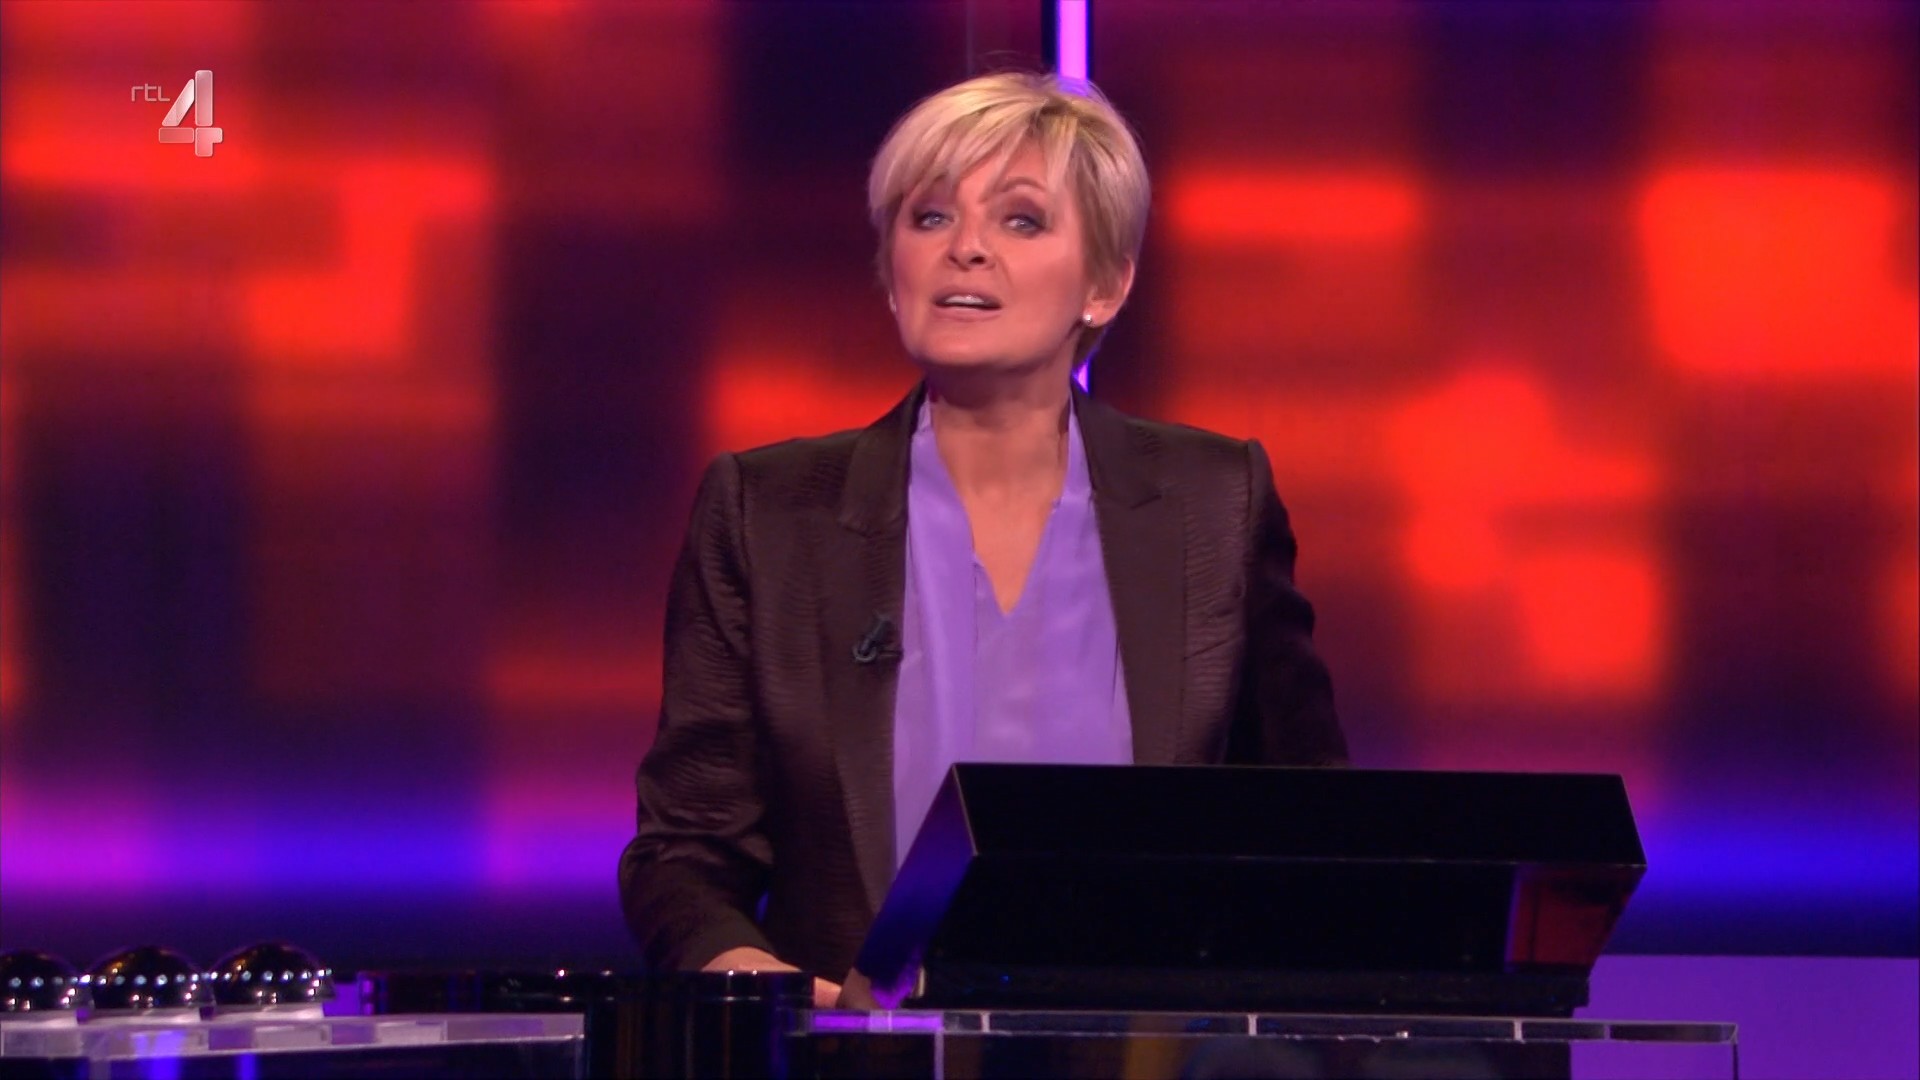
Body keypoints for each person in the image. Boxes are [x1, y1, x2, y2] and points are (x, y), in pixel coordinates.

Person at [618, 71, 1347, 1009]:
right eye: (928, 218)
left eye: (1020, 220)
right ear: (891, 271)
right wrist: (797, 1003)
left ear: (1106, 284)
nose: (964, 248)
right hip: (858, 1064)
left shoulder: (1216, 502)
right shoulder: (768, 512)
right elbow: (684, 859)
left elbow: (1312, 836)